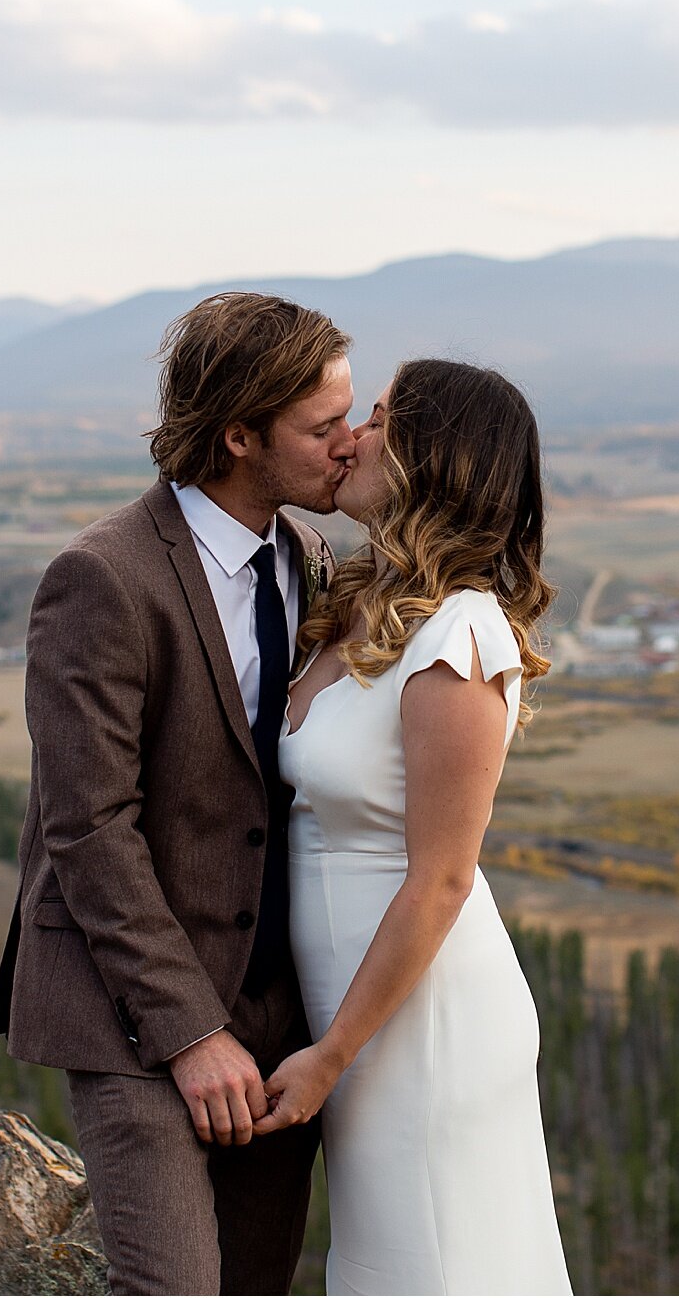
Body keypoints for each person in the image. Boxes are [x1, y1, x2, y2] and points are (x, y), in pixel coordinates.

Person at [0, 293, 357, 1296]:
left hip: (277, 1014)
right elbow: (87, 826)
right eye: (324, 428)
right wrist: (192, 1032)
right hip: (132, 1008)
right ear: (238, 433)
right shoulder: (101, 578)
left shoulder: (305, 557)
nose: (349, 446)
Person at [260, 358, 571, 1297]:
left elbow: (441, 879)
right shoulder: (353, 605)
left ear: (434, 458)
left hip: (420, 1022)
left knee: (434, 1265)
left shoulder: (461, 637)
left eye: (381, 420)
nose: (350, 436)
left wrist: (329, 1056)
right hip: (354, 1016)